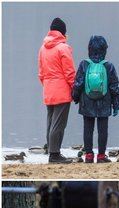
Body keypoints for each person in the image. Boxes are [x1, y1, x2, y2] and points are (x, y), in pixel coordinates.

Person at [72, 35, 119, 163]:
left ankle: (88, 155)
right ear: (104, 50)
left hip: (86, 102)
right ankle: (101, 156)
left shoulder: (84, 65)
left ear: (89, 49)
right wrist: (116, 105)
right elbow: (114, 87)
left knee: (88, 129)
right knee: (103, 130)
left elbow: (78, 83)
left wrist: (75, 98)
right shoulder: (109, 66)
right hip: (104, 102)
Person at [38, 17, 76, 164]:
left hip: (48, 90)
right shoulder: (63, 48)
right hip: (61, 91)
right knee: (58, 124)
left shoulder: (42, 48)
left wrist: (47, 86)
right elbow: (69, 73)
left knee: (50, 122)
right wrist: (74, 89)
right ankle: (54, 155)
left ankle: (52, 151)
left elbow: (41, 73)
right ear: (63, 32)